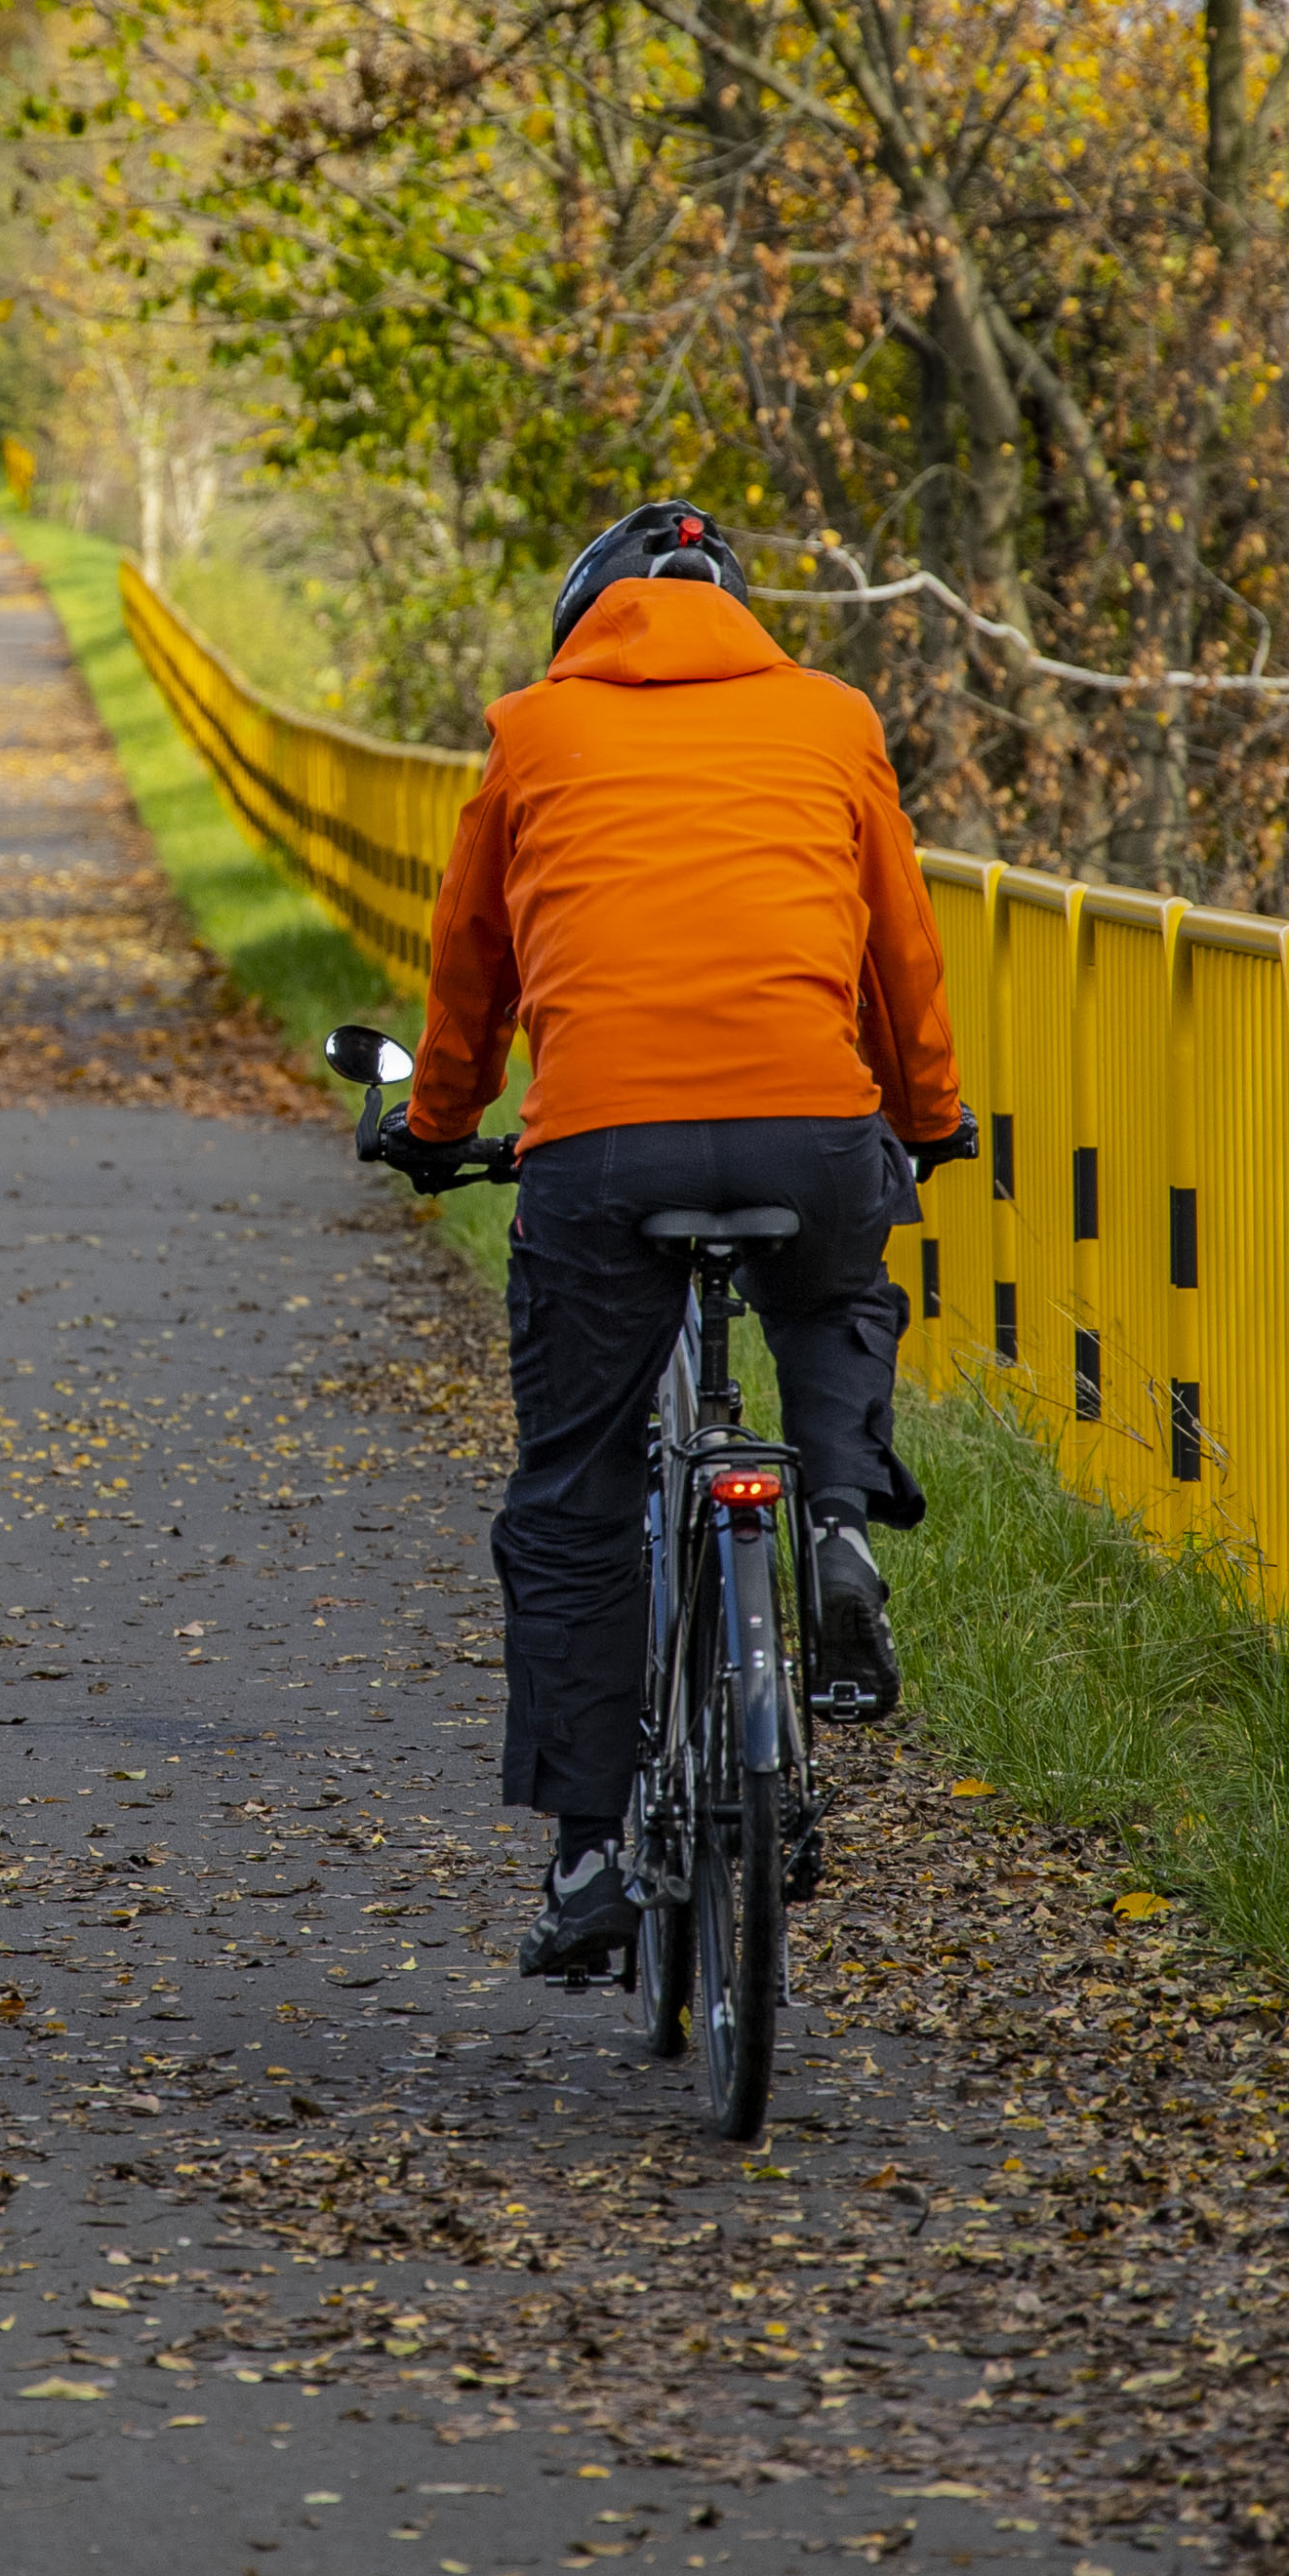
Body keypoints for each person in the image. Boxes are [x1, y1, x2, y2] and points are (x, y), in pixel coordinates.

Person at [369, 501, 981, 1981]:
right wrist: (930, 1112)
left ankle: (588, 1857)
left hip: (602, 1145)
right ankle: (834, 1523)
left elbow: (473, 963)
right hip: (812, 1131)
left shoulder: (533, 731)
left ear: (583, 621)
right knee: (837, 1295)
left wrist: (440, 1125)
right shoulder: (834, 719)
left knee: (575, 1492)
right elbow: (898, 947)